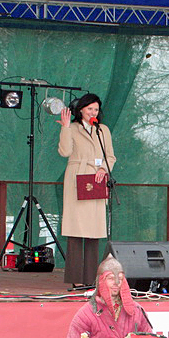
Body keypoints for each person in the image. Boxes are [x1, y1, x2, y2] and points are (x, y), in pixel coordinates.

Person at [57, 93, 116, 287]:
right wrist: (65, 128)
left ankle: (91, 278)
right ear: (80, 109)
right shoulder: (72, 128)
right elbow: (65, 152)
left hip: (97, 179)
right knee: (75, 229)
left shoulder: (103, 130)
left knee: (94, 230)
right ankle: (75, 279)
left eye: (96, 109)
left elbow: (110, 156)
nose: (93, 112)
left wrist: (103, 169)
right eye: (90, 108)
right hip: (77, 177)